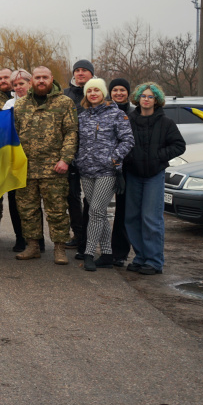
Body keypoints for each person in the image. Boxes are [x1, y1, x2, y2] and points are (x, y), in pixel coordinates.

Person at [13, 66, 78, 265]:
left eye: (45, 77)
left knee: (57, 210)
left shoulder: (65, 103)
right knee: (27, 209)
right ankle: (32, 246)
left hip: (54, 168)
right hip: (27, 168)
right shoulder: (21, 105)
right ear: (32, 81)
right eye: (38, 77)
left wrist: (65, 159)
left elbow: (71, 132)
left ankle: (59, 248)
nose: (41, 81)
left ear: (52, 79)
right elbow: (13, 135)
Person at [123, 82, 185, 275]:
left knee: (151, 218)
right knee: (132, 218)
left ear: (156, 100)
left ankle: (154, 260)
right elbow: (122, 142)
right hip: (133, 174)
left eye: (150, 96)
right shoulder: (129, 120)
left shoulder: (166, 123)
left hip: (154, 176)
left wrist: (158, 156)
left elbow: (179, 145)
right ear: (138, 98)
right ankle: (140, 257)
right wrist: (130, 158)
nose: (147, 99)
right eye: (143, 96)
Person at [75, 78, 135, 272]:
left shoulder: (117, 115)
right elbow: (77, 142)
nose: (93, 93)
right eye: (89, 91)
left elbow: (128, 140)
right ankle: (108, 254)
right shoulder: (83, 117)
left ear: (103, 93)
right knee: (98, 213)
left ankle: (89, 253)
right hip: (86, 171)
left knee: (96, 212)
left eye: (96, 90)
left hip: (107, 172)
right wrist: (77, 160)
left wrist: (113, 159)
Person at [63, 59, 95, 252]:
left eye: (85, 70)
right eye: (78, 70)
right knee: (72, 196)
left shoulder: (96, 93)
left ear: (91, 74)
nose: (81, 73)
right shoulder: (65, 95)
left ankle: (90, 237)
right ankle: (78, 234)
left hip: (92, 155)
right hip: (70, 154)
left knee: (90, 198)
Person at [2, 69, 33, 252]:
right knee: (14, 200)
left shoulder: (37, 103)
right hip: (14, 158)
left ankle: (36, 239)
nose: (18, 87)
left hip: (35, 159)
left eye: (22, 83)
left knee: (32, 201)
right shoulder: (8, 104)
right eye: (15, 85)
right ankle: (19, 237)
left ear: (30, 83)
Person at [108, 77, 133, 265]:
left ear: (128, 93)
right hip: (106, 167)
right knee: (95, 208)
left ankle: (120, 252)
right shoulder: (104, 112)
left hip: (129, 168)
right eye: (115, 90)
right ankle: (89, 246)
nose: (118, 93)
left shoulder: (135, 113)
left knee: (123, 211)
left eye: (122, 90)